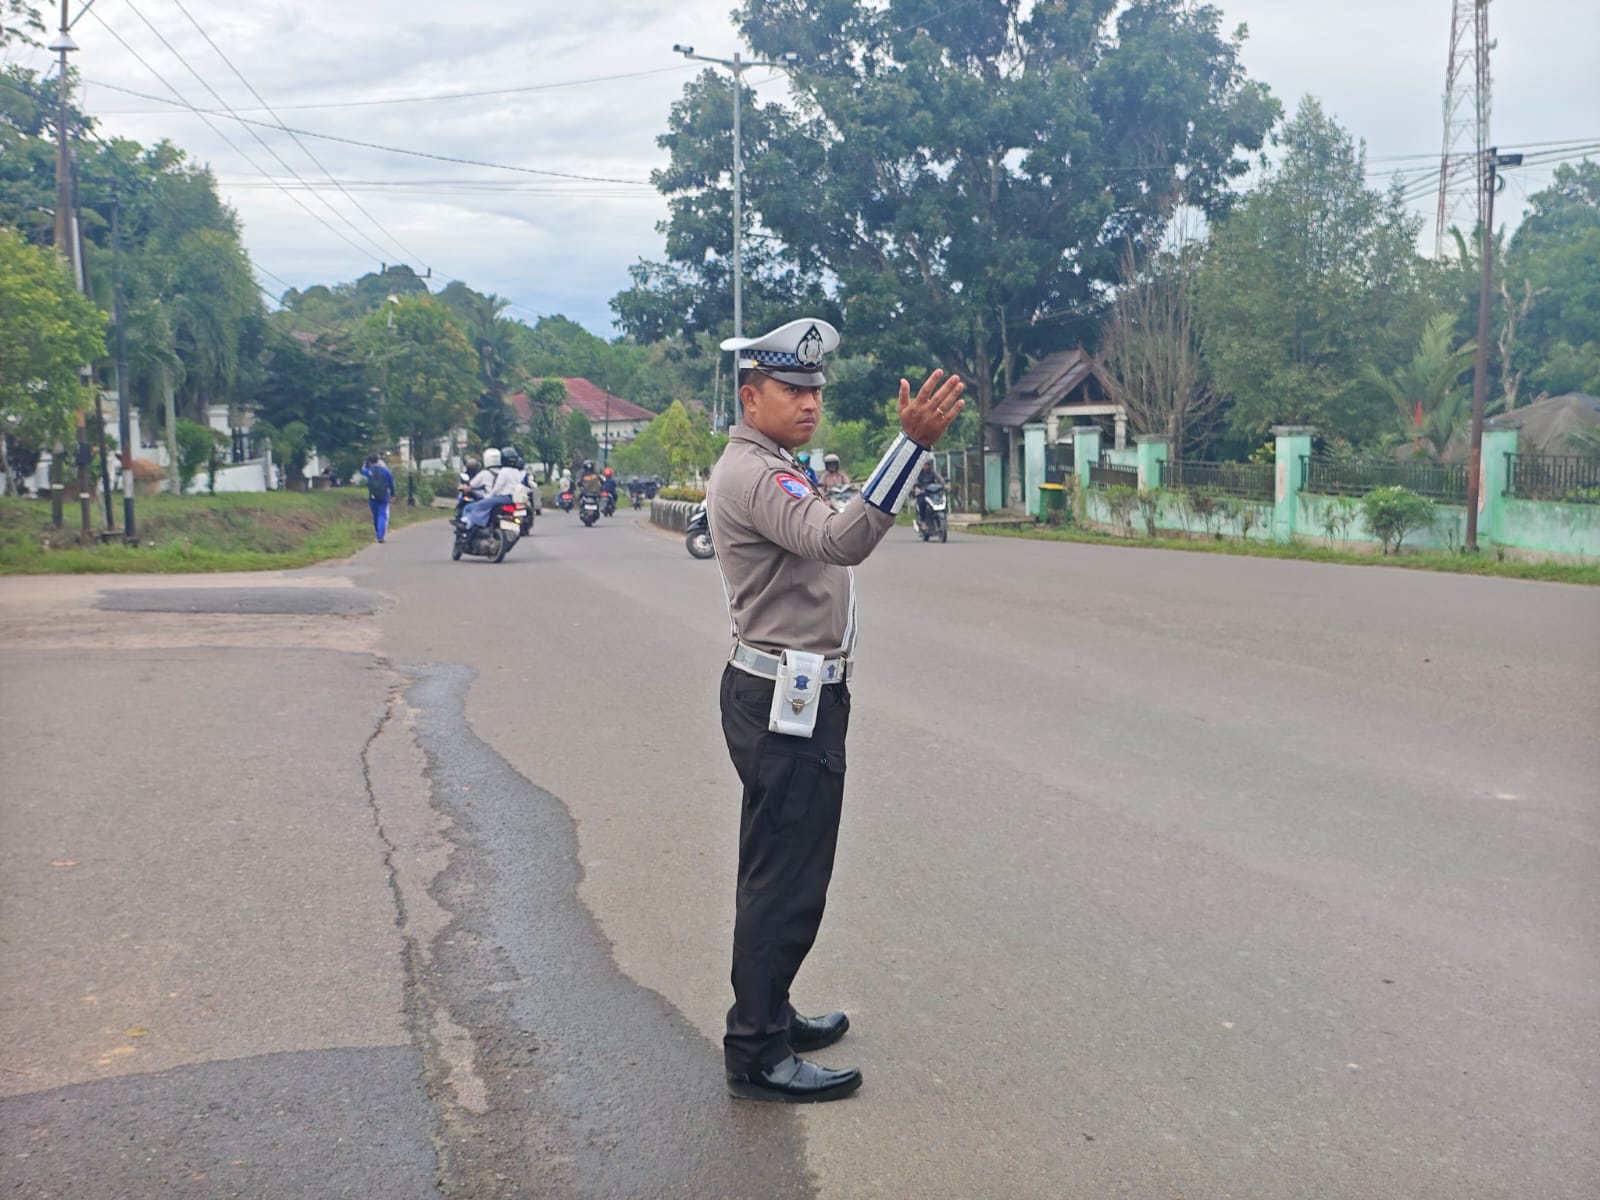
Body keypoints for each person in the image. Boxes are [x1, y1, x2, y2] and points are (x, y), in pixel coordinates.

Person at [706, 317, 964, 1103]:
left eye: (816, 389)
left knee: (782, 868)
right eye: (792, 389)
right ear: (751, 397)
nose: (810, 402)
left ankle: (770, 1012)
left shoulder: (774, 462)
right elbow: (842, 540)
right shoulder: (757, 474)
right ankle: (756, 1049)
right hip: (786, 701)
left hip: (795, 693)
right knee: (784, 880)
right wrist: (910, 447)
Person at [359, 454, 396, 543]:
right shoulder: (386, 471)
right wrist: (393, 494)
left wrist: (364, 463)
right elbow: (391, 484)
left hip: (373, 497)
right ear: (377, 461)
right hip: (384, 496)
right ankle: (381, 535)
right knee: (382, 515)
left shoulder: (369, 471)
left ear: (369, 462)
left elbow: (362, 470)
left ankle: (377, 532)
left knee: (376, 516)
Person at [911, 456, 946, 533]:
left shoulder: (933, 472)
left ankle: (941, 520)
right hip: (922, 493)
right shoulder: (918, 473)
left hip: (932, 492)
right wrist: (916, 488)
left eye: (927, 464)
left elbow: (940, 479)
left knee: (940, 500)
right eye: (924, 464)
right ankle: (923, 522)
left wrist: (944, 484)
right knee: (921, 502)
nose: (926, 466)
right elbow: (915, 481)